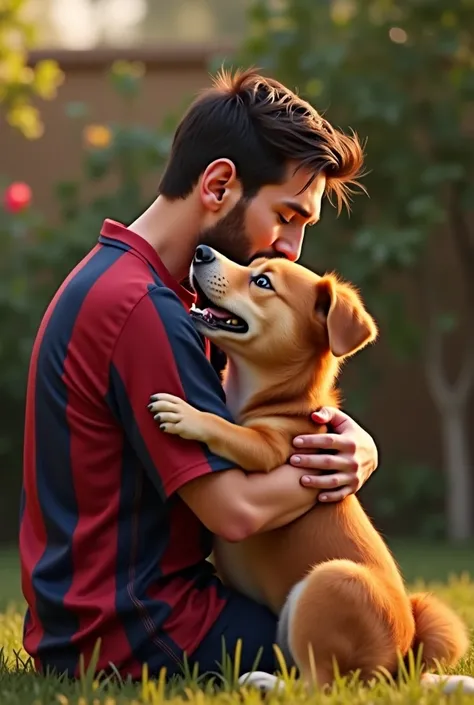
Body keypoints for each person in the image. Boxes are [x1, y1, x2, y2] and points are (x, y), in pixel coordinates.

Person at [19, 68, 378, 682]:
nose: (290, 247)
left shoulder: (141, 288)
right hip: (141, 630)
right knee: (359, 640)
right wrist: (354, 463)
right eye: (287, 216)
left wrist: (353, 442)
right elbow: (234, 513)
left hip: (95, 621)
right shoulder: (142, 310)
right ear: (217, 184)